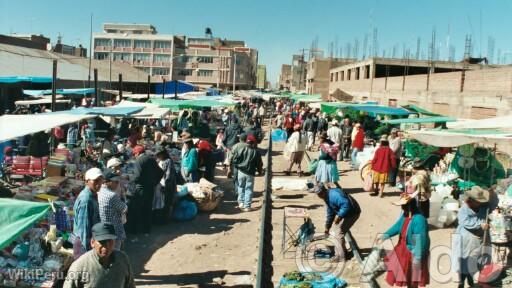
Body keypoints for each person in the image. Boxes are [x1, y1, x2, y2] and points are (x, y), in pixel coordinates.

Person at [379, 192, 430, 288]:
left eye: (403, 206)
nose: (402, 208)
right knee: (405, 275)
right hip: (402, 249)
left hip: (413, 252)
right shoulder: (405, 215)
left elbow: (421, 240)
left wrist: (417, 258)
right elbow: (398, 226)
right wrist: (385, 235)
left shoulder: (419, 220)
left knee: (412, 278)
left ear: (409, 206)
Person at [64, 222, 135, 288]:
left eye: (110, 241)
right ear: (92, 242)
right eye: (102, 241)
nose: (106, 246)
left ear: (115, 241)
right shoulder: (79, 266)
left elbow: (130, 285)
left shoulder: (122, 259)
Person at [452, 186, 498, 288]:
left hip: (479, 240)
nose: (480, 203)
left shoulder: (484, 206)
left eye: (480, 201)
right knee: (464, 262)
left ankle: (472, 281)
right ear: (471, 200)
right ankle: (461, 283)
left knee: (476, 262)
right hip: (466, 240)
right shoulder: (464, 209)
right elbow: (464, 222)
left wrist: (493, 194)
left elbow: (494, 204)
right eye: (478, 201)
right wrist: (480, 225)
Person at [315, 182, 361, 258]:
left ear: (324, 190)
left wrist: (339, 216)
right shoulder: (326, 197)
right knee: (337, 230)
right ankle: (344, 251)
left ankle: (340, 256)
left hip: (353, 212)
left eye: (320, 193)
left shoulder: (334, 195)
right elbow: (330, 212)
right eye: (318, 194)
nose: (319, 196)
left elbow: (346, 205)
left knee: (339, 232)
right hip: (346, 212)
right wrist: (327, 227)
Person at [128, 145, 163, 238]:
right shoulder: (151, 159)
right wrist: (155, 183)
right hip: (150, 188)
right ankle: (146, 230)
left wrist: (129, 178)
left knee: (137, 209)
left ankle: (136, 231)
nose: (134, 156)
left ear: (138, 153)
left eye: (135, 154)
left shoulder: (139, 160)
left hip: (141, 189)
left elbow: (137, 176)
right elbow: (161, 172)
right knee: (147, 209)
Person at [231, 134, 263, 211]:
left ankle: (241, 203)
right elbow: (259, 164)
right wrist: (259, 172)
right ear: (253, 143)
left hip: (241, 171)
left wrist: (238, 166)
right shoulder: (256, 152)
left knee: (240, 186)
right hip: (250, 173)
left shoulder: (241, 150)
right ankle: (247, 206)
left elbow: (234, 160)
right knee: (248, 189)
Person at [73, 168, 102, 251]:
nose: (99, 183)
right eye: (95, 181)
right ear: (87, 182)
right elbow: (84, 230)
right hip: (84, 247)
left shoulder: (93, 194)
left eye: (100, 180)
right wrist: (87, 252)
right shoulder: (86, 200)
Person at [98, 171, 127, 250]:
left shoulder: (99, 191)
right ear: (108, 182)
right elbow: (124, 208)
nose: (117, 184)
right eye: (116, 182)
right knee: (115, 252)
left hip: (104, 228)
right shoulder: (112, 195)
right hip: (114, 229)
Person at [155, 146, 177, 223]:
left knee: (167, 202)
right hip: (161, 185)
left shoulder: (168, 161)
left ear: (163, 154)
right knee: (162, 203)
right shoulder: (161, 161)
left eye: (159, 155)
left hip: (167, 186)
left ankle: (165, 220)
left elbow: (169, 176)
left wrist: (166, 187)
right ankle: (162, 218)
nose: (158, 157)